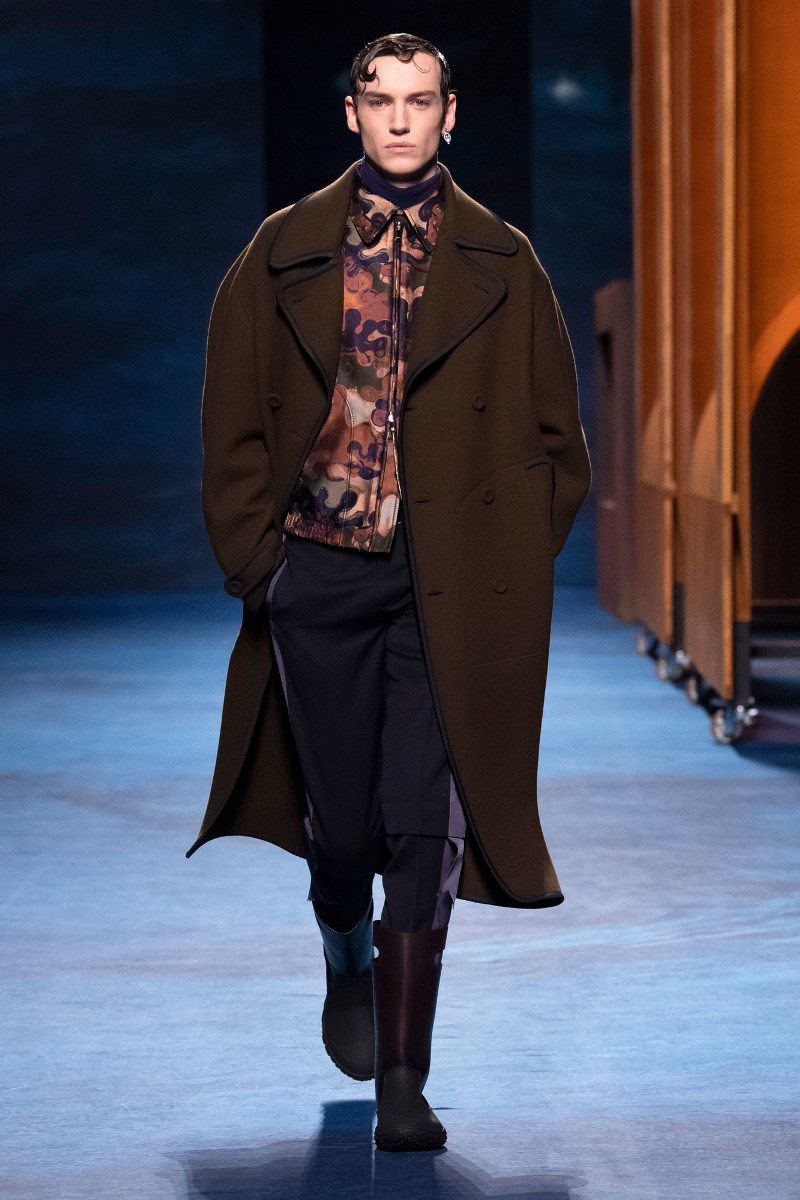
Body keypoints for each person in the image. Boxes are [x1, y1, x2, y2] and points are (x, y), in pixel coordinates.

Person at [187, 32, 591, 1153]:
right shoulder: (281, 252)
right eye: (382, 100)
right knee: (344, 828)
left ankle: (404, 1082)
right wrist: (260, 564)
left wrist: (506, 563)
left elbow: (557, 437)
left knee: (424, 826)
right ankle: (342, 939)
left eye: (421, 101)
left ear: (450, 114)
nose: (402, 119)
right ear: (352, 114)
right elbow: (231, 419)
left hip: (447, 586)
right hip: (318, 568)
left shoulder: (503, 260)